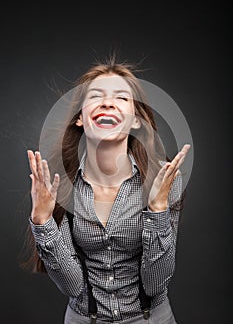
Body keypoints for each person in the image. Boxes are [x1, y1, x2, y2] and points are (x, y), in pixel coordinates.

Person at [25, 56, 190, 324]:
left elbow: (156, 283)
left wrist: (158, 210)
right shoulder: (58, 182)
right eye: (96, 96)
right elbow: (72, 287)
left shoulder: (164, 179)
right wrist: (43, 223)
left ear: (136, 120)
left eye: (122, 98)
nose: (108, 102)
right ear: (80, 118)